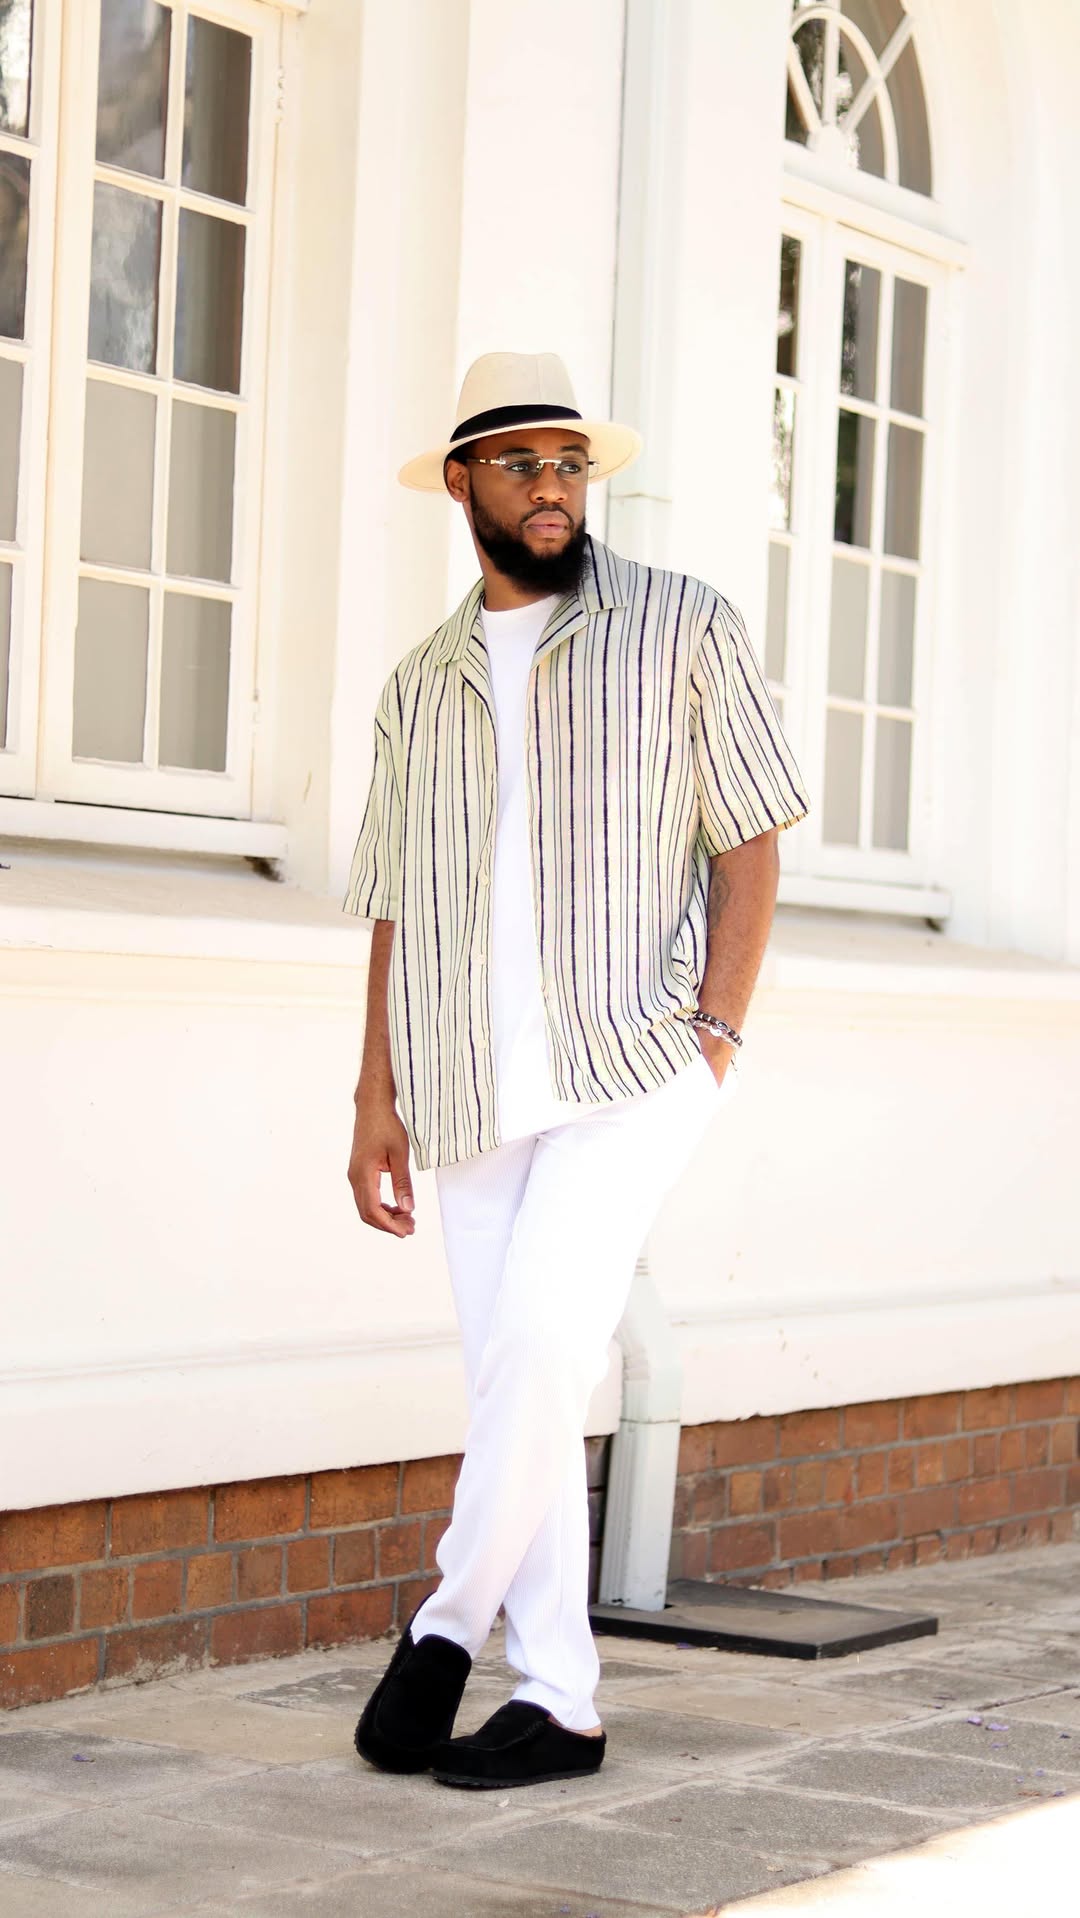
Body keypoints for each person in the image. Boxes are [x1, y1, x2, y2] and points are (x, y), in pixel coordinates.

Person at [343, 351, 810, 1789]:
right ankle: (559, 1699)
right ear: (463, 482)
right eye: (523, 463)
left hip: (637, 1060)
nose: (554, 487)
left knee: (547, 1345)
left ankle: (444, 1625)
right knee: (516, 1388)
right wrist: (375, 1095)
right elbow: (396, 902)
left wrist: (717, 1033)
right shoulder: (418, 686)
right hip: (466, 1079)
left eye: (571, 464)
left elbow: (750, 837)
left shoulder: (682, 624)